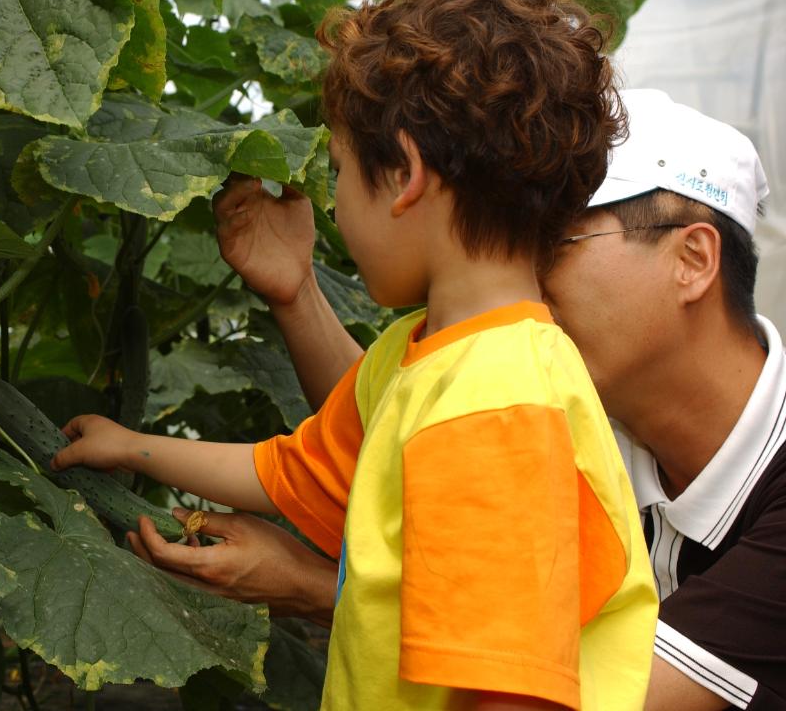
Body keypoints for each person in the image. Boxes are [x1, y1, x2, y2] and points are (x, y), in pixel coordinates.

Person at [52, 0, 659, 710]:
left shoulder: (498, 405)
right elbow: (290, 471)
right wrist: (131, 447)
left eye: (338, 171)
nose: (334, 204)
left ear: (403, 174)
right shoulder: (422, 352)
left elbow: (512, 694)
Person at [127, 90, 786, 710]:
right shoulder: (572, 396)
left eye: (552, 241)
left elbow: (581, 687)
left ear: (693, 260)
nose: (517, 265)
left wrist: (314, 586)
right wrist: (297, 292)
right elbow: (412, 432)